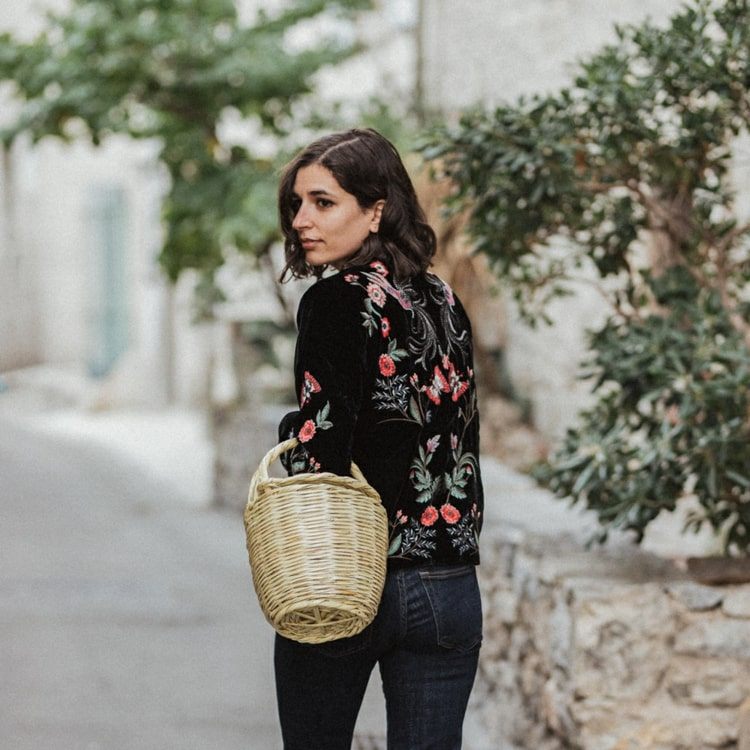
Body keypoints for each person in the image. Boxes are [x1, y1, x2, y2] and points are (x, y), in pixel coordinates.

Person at [275, 128, 484, 750]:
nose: (302, 220)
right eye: (297, 204)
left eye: (323, 202)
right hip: (448, 582)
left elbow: (322, 448)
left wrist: (293, 433)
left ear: (376, 210)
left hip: (352, 577)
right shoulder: (442, 297)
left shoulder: (335, 300)